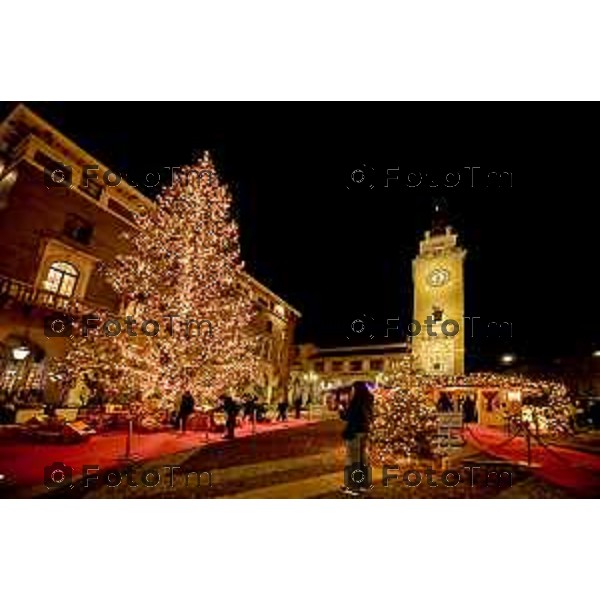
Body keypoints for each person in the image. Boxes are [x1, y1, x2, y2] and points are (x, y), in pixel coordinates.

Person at [340, 381, 374, 495]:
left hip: (354, 432)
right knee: (362, 459)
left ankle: (353, 487)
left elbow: (348, 417)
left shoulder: (356, 402)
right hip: (364, 431)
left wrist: (342, 408)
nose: (352, 391)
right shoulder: (368, 401)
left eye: (353, 389)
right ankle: (364, 484)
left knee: (353, 460)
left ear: (357, 390)